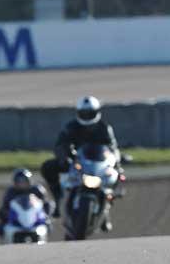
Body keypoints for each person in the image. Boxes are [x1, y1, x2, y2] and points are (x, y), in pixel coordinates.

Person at [40, 96, 120, 227]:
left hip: (98, 165)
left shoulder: (104, 128)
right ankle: (58, 198)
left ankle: (106, 210)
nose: (87, 116)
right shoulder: (71, 127)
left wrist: (116, 162)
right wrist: (64, 157)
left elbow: (113, 147)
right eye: (84, 114)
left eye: (90, 113)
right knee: (48, 167)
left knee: (117, 176)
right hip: (78, 163)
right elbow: (61, 144)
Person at [0, 168, 53, 238]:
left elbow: (46, 204)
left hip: (34, 219)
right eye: (19, 182)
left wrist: (45, 214)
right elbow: (5, 207)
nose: (22, 184)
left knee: (48, 223)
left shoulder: (37, 190)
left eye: (24, 181)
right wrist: (6, 215)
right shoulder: (11, 192)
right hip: (17, 220)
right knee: (1, 226)